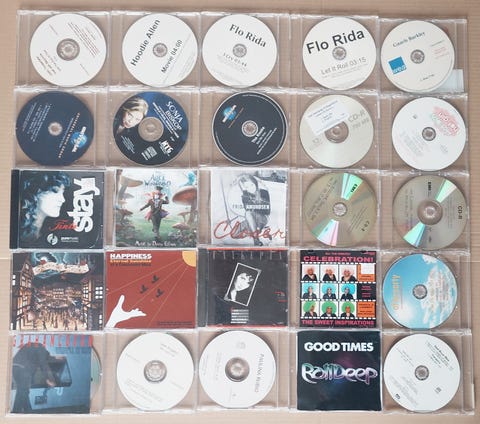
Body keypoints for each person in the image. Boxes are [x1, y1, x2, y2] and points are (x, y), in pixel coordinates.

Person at [19, 171, 71, 245]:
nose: (63, 200)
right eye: (55, 191)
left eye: (62, 192)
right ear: (36, 192)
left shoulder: (51, 231)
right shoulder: (19, 230)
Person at [11, 343, 56, 413]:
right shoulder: (42, 349)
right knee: (22, 393)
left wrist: (55, 358)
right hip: (23, 369)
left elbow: (40, 361)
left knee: (23, 392)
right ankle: (15, 414)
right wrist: (48, 379)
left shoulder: (35, 348)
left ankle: (29, 412)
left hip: (14, 367)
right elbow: (43, 364)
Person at [232, 174, 271, 246]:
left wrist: (253, 207)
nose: (250, 188)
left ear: (255, 183)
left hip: (262, 218)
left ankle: (256, 238)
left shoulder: (263, 192)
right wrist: (245, 192)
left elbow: (267, 211)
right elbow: (247, 208)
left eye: (252, 185)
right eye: (247, 187)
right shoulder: (245, 196)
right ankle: (254, 231)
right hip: (251, 219)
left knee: (248, 213)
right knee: (234, 234)